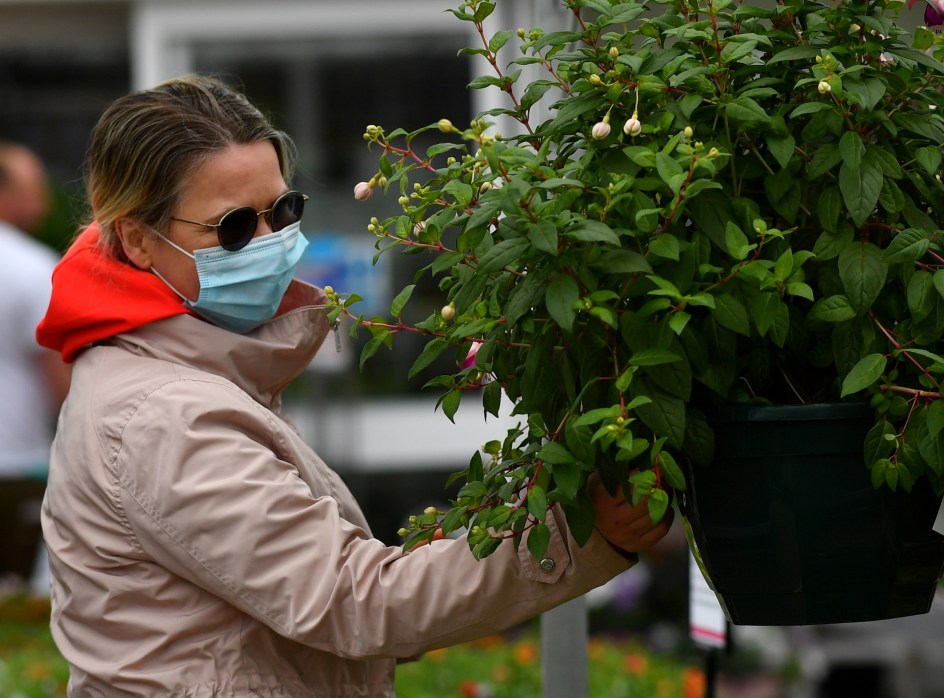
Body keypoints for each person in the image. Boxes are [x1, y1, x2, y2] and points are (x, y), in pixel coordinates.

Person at [35, 75, 674, 697]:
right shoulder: (161, 417)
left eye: (282, 210)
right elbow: (357, 600)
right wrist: (580, 532)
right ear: (138, 239)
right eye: (233, 226)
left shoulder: (181, 375)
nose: (272, 241)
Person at [0, 141, 70, 591]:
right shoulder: (33, 266)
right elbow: (60, 374)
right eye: (34, 189)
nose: (43, 202)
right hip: (16, 463)